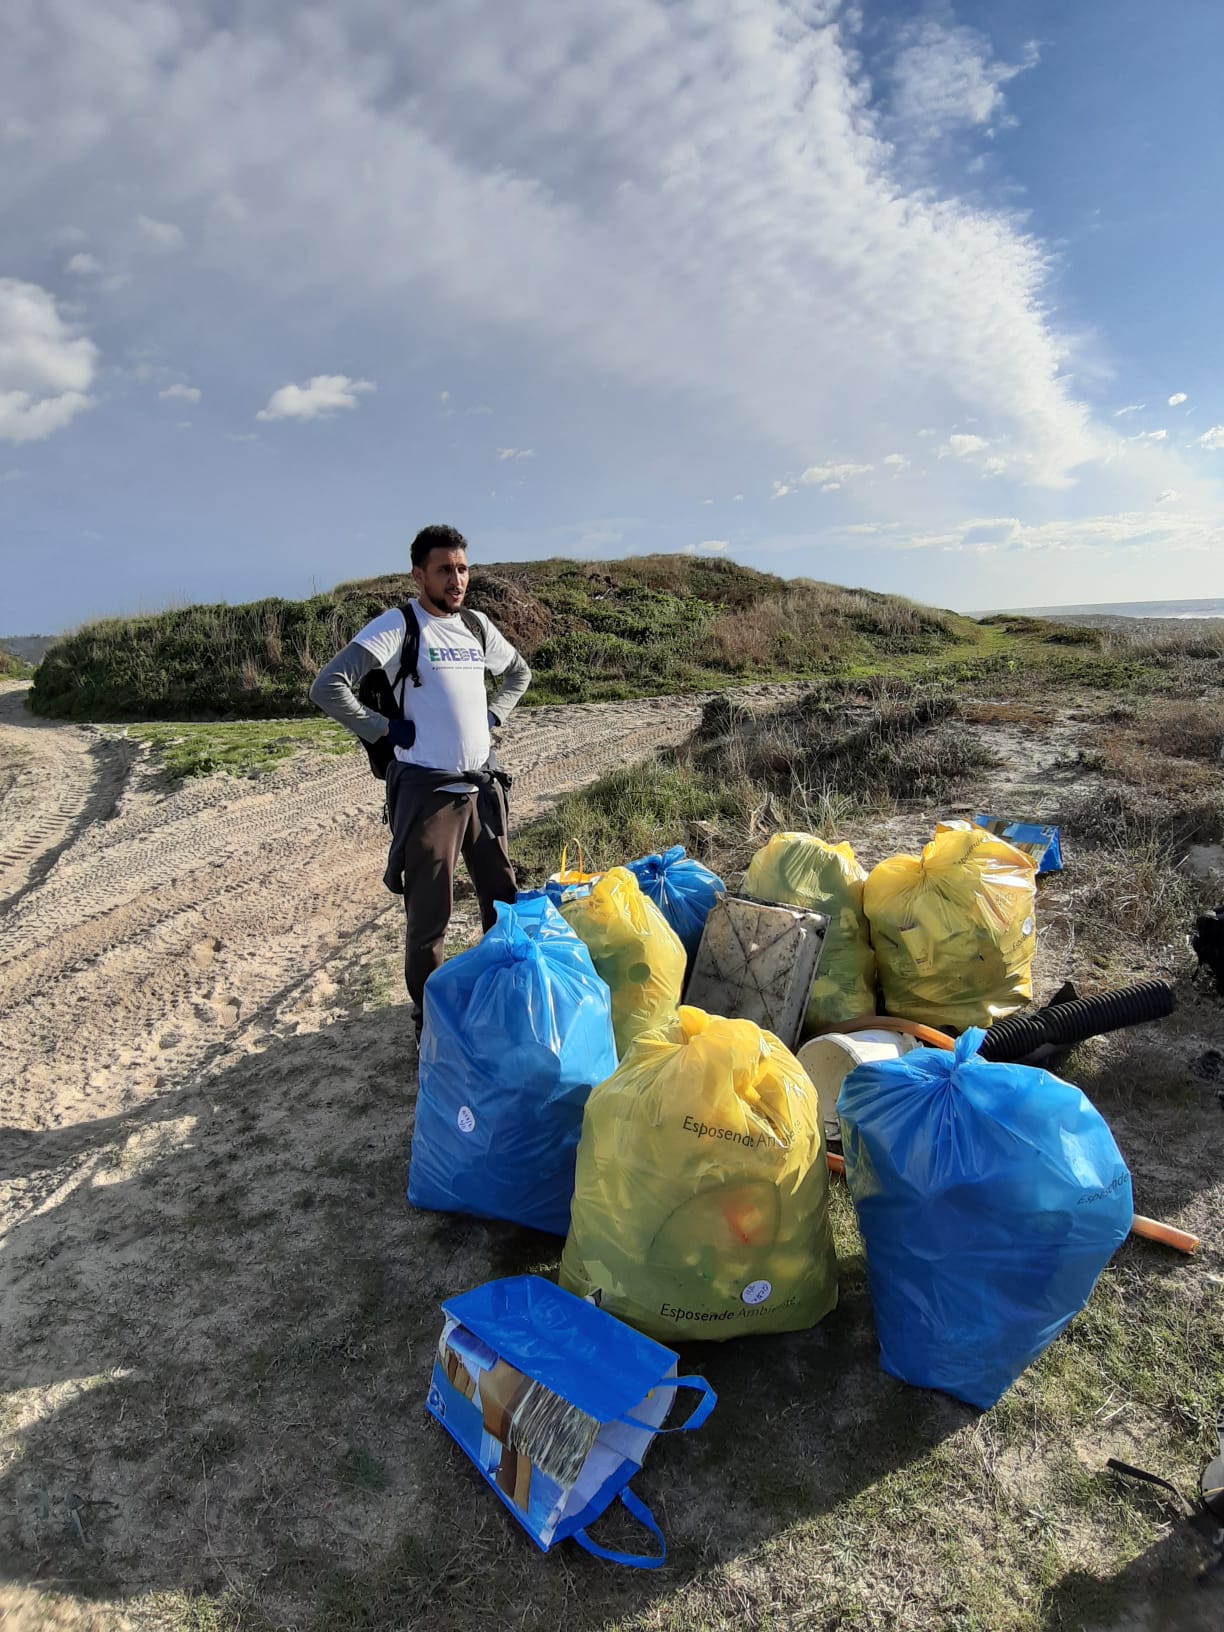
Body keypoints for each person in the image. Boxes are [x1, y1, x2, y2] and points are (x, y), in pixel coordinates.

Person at [310, 524, 532, 1041]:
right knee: (429, 917)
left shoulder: (475, 626)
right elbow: (328, 686)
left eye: (462, 568)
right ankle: (430, 1026)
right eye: (444, 570)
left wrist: (494, 716)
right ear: (418, 575)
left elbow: (518, 674)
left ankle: (505, 997)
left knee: (502, 900)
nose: (456, 580)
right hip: (428, 792)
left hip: (481, 784)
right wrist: (384, 727)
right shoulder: (398, 626)